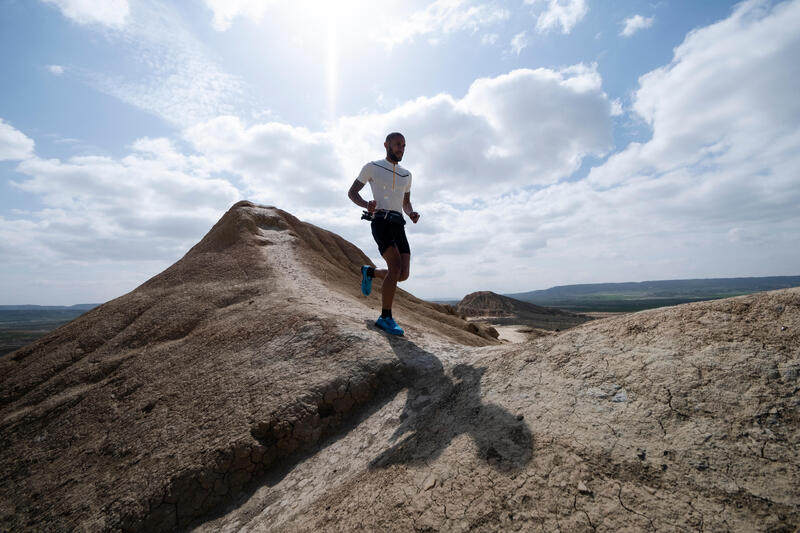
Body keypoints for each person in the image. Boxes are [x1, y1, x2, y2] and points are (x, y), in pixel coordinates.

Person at [348, 132, 420, 336]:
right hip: (380, 221)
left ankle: (369, 272)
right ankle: (385, 317)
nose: (401, 148)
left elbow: (405, 203)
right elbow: (352, 192)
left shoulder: (407, 174)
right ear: (386, 145)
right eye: (398, 144)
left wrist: (411, 212)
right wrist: (366, 205)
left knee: (403, 274)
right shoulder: (372, 166)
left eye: (404, 145)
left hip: (399, 223)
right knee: (394, 266)